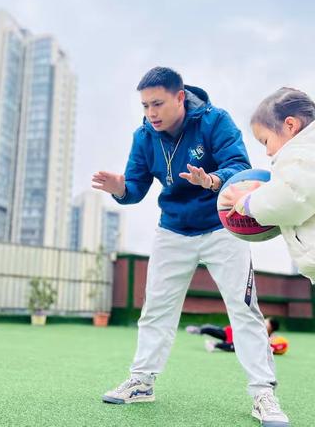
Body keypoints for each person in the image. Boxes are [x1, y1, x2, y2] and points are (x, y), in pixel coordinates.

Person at [92, 67, 289, 426]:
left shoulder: (215, 122)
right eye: (145, 105)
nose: (150, 113)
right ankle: (142, 381)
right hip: (173, 231)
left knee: (244, 309)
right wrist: (119, 187)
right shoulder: (143, 136)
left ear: (180, 97)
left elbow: (239, 166)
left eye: (157, 103)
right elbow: (134, 189)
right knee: (156, 309)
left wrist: (212, 180)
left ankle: (263, 392)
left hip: (221, 227)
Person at [221, 87, 315, 284]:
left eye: (266, 141)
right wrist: (268, 192)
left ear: (290, 125)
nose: (268, 152)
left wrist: (247, 202)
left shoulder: (301, 154)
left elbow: (293, 198)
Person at [186, 317, 280, 353]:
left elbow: (271, 346)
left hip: (237, 342)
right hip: (231, 333)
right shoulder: (257, 325)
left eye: (266, 323)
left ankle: (214, 344)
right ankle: (199, 330)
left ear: (270, 328)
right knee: (212, 329)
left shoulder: (267, 338)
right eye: (265, 320)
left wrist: (270, 341)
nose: (263, 323)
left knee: (235, 347)